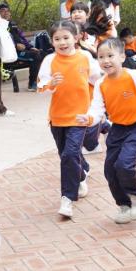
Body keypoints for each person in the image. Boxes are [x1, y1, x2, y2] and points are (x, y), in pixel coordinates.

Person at [76, 38, 136, 224]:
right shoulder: (101, 84)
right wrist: (89, 118)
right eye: (101, 57)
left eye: (110, 56)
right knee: (110, 170)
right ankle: (124, 205)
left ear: (121, 57)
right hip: (117, 129)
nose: (106, 61)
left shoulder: (134, 76)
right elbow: (97, 109)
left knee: (124, 165)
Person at [37, 21, 101, 218]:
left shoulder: (85, 57)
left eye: (66, 38)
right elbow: (40, 87)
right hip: (57, 118)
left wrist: (97, 110)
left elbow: (98, 82)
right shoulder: (49, 60)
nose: (62, 42)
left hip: (79, 117)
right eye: (57, 39)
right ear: (52, 41)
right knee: (66, 154)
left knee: (69, 154)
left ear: (76, 38)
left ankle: (67, 199)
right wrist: (51, 83)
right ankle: (81, 173)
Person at [0, 2, 44, 92]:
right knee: (35, 56)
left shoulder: (12, 25)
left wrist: (30, 47)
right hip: (12, 54)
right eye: (3, 11)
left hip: (21, 51)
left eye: (7, 11)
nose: (6, 13)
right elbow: (1, 41)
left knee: (42, 53)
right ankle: (32, 84)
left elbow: (21, 37)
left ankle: (37, 80)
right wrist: (15, 46)